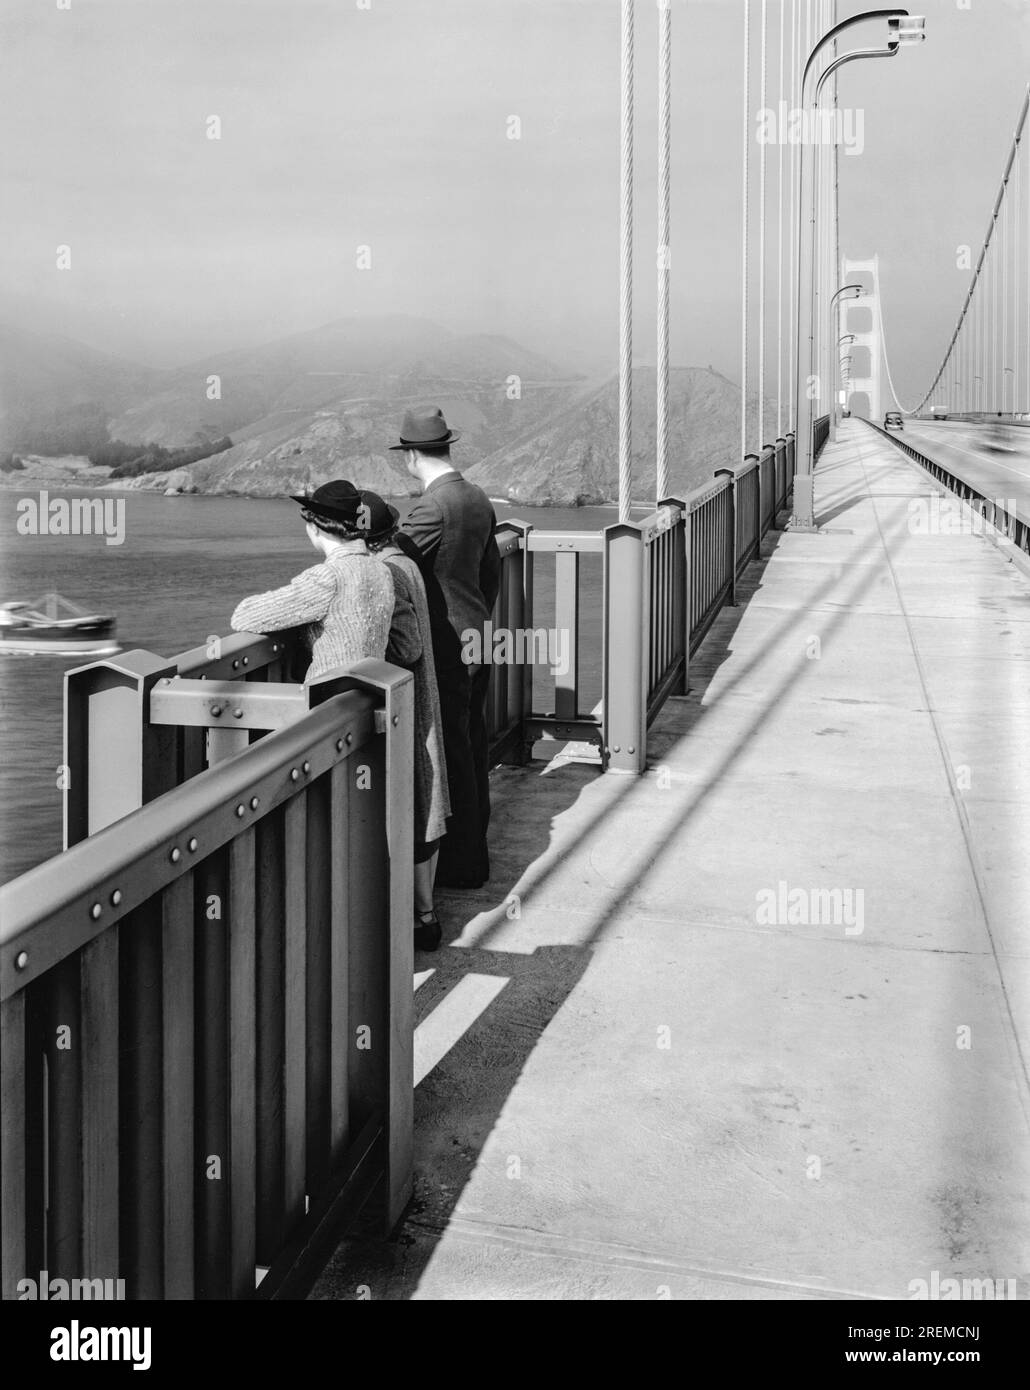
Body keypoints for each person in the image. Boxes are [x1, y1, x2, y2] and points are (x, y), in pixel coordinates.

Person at [390, 405, 500, 889]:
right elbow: (489, 573)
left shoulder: (432, 508)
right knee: (471, 747)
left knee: (450, 754)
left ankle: (463, 866)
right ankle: (474, 854)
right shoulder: (477, 497)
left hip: (450, 649)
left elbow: (389, 565)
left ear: (411, 456)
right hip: (479, 635)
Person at [361, 490, 451, 951]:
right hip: (426, 695)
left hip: (406, 702)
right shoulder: (406, 561)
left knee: (415, 808)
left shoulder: (386, 571)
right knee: (428, 805)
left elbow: (407, 647)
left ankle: (422, 917)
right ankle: (425, 911)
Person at [229, 479, 413, 680]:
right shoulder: (382, 570)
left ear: (315, 527)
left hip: (327, 698)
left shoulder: (328, 577)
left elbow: (243, 616)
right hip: (370, 693)